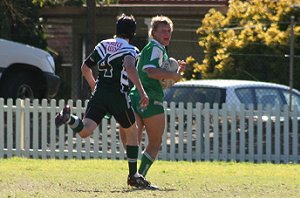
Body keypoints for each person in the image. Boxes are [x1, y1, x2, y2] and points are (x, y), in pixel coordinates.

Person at [55, 13, 157, 190]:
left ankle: (69, 119)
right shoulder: (130, 50)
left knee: (85, 130)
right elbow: (130, 66)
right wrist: (142, 91)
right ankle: (134, 175)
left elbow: (85, 68)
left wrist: (94, 86)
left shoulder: (103, 44)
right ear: (132, 33)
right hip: (118, 94)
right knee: (132, 131)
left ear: (116, 30)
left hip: (100, 93)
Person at [129, 16, 186, 182]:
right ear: (153, 33)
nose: (167, 33)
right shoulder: (157, 48)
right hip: (151, 99)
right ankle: (139, 176)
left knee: (135, 139)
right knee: (155, 143)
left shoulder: (153, 47)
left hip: (136, 96)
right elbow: (150, 71)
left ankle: (134, 175)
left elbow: (164, 79)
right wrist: (173, 75)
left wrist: (176, 74)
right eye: (162, 30)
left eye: (169, 30)